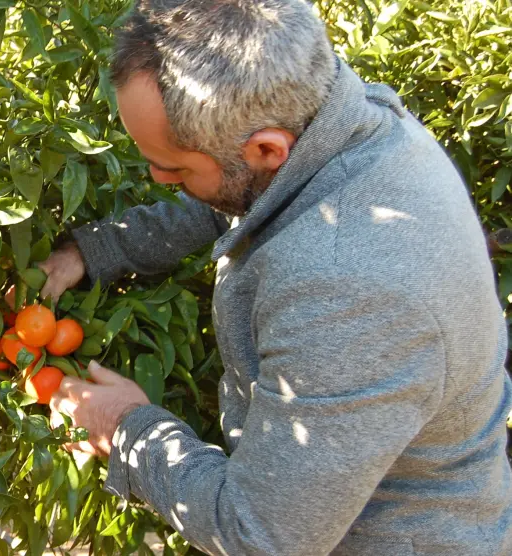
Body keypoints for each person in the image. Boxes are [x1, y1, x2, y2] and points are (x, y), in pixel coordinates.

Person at [39, 0, 512, 554]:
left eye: (174, 167)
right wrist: (94, 251)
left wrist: (126, 428)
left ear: (267, 148)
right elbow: (239, 190)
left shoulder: (347, 294)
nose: (156, 176)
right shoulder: (341, 122)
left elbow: (262, 536)